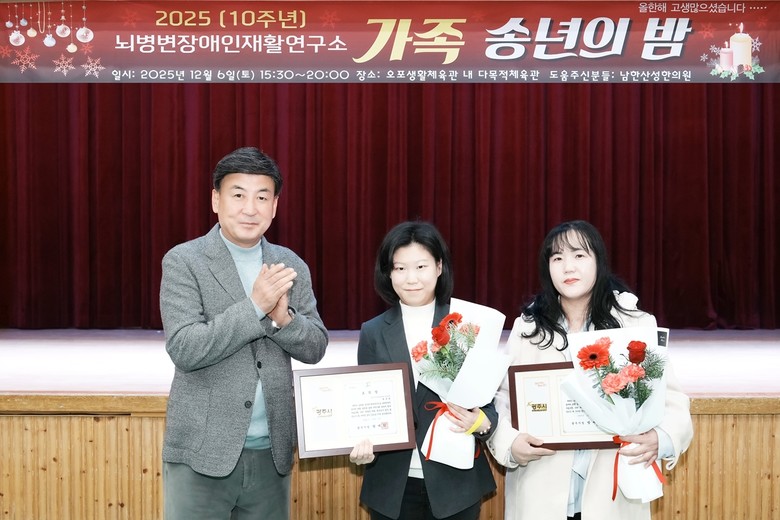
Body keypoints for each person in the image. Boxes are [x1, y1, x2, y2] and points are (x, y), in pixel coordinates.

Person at [159, 146, 329, 520]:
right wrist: (255, 307)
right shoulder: (184, 261)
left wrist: (283, 320)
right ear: (215, 200)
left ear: (275, 206)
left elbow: (316, 346)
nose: (250, 208)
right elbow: (185, 347)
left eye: (262, 197)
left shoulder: (290, 264)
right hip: (201, 454)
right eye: (238, 195)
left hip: (271, 454)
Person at [487, 220, 693, 520]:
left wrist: (661, 439)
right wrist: (510, 443)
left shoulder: (634, 323)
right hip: (541, 490)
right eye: (558, 258)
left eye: (579, 255)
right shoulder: (528, 328)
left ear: (599, 261)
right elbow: (503, 399)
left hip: (612, 492)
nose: (568, 267)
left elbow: (672, 400)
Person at [349, 220, 497, 520]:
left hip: (455, 484)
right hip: (393, 486)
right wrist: (362, 443)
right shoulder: (373, 331)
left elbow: (488, 406)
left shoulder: (464, 323)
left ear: (439, 267)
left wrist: (479, 422)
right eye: (400, 268)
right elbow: (366, 405)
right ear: (388, 272)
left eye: (421, 267)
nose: (411, 278)